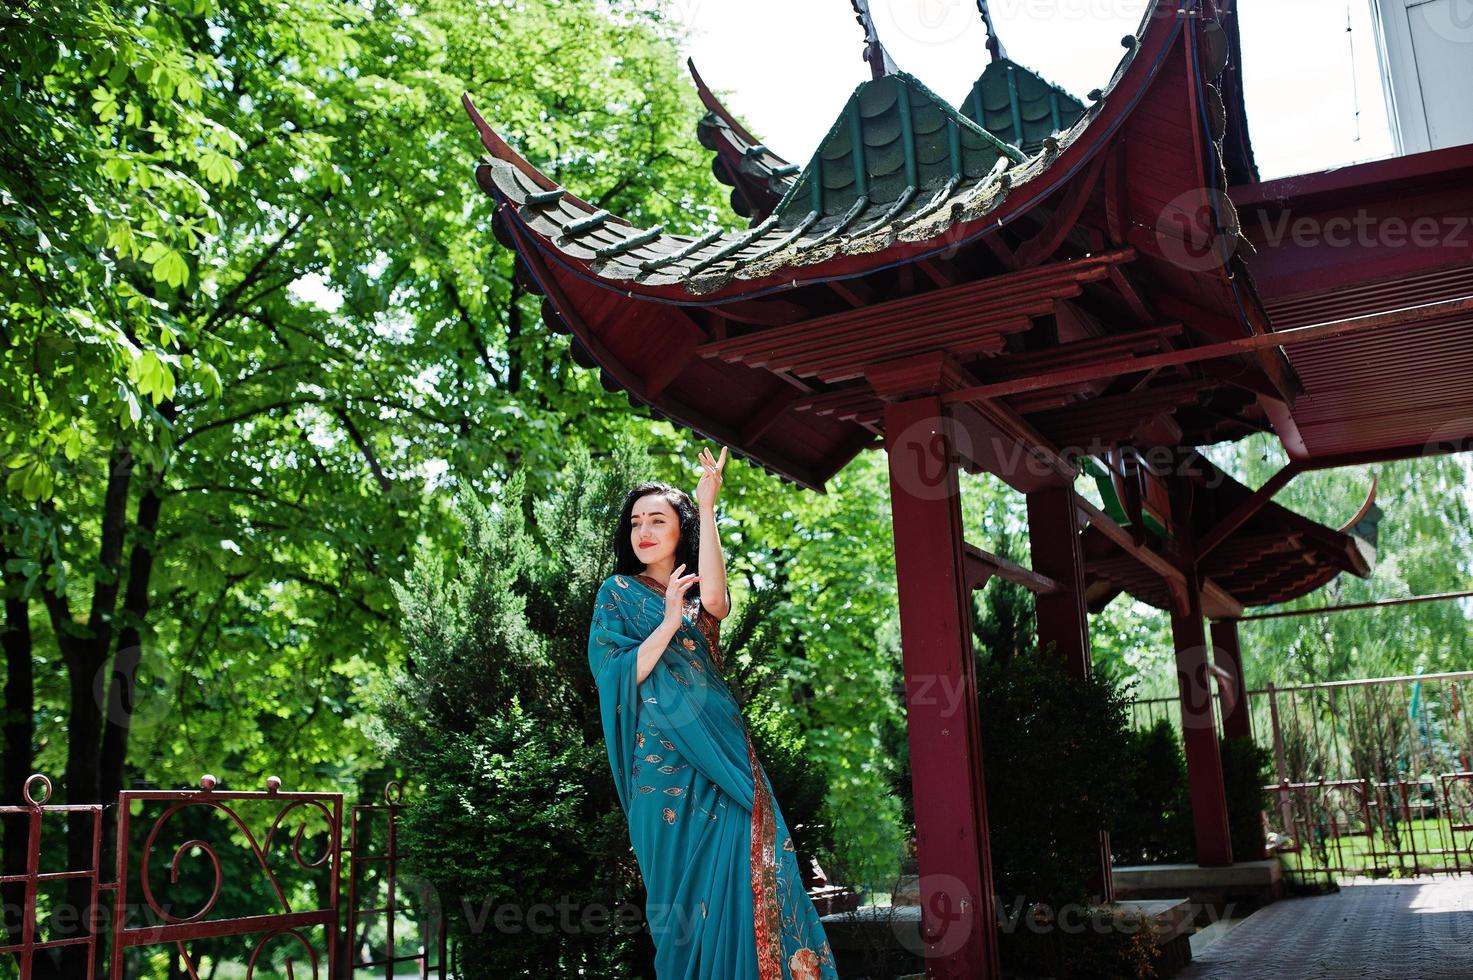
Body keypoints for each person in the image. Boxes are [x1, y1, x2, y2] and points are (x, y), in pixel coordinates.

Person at [587, 446, 839, 980]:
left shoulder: (697, 594)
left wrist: (706, 504)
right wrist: (669, 618)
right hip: (661, 766)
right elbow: (617, 675)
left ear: (681, 531)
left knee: (755, 868)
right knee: (679, 899)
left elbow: (719, 603)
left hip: (724, 756)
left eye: (659, 519)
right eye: (636, 522)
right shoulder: (617, 593)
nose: (644, 531)